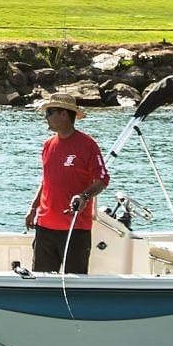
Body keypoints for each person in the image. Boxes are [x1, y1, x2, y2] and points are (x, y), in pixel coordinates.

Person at [26, 94, 109, 274]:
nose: (45, 116)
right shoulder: (48, 144)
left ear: (64, 114)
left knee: (73, 283)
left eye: (49, 112)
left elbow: (102, 179)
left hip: (75, 228)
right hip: (45, 227)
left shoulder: (87, 145)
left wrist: (84, 196)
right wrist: (33, 208)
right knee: (41, 280)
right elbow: (47, 180)